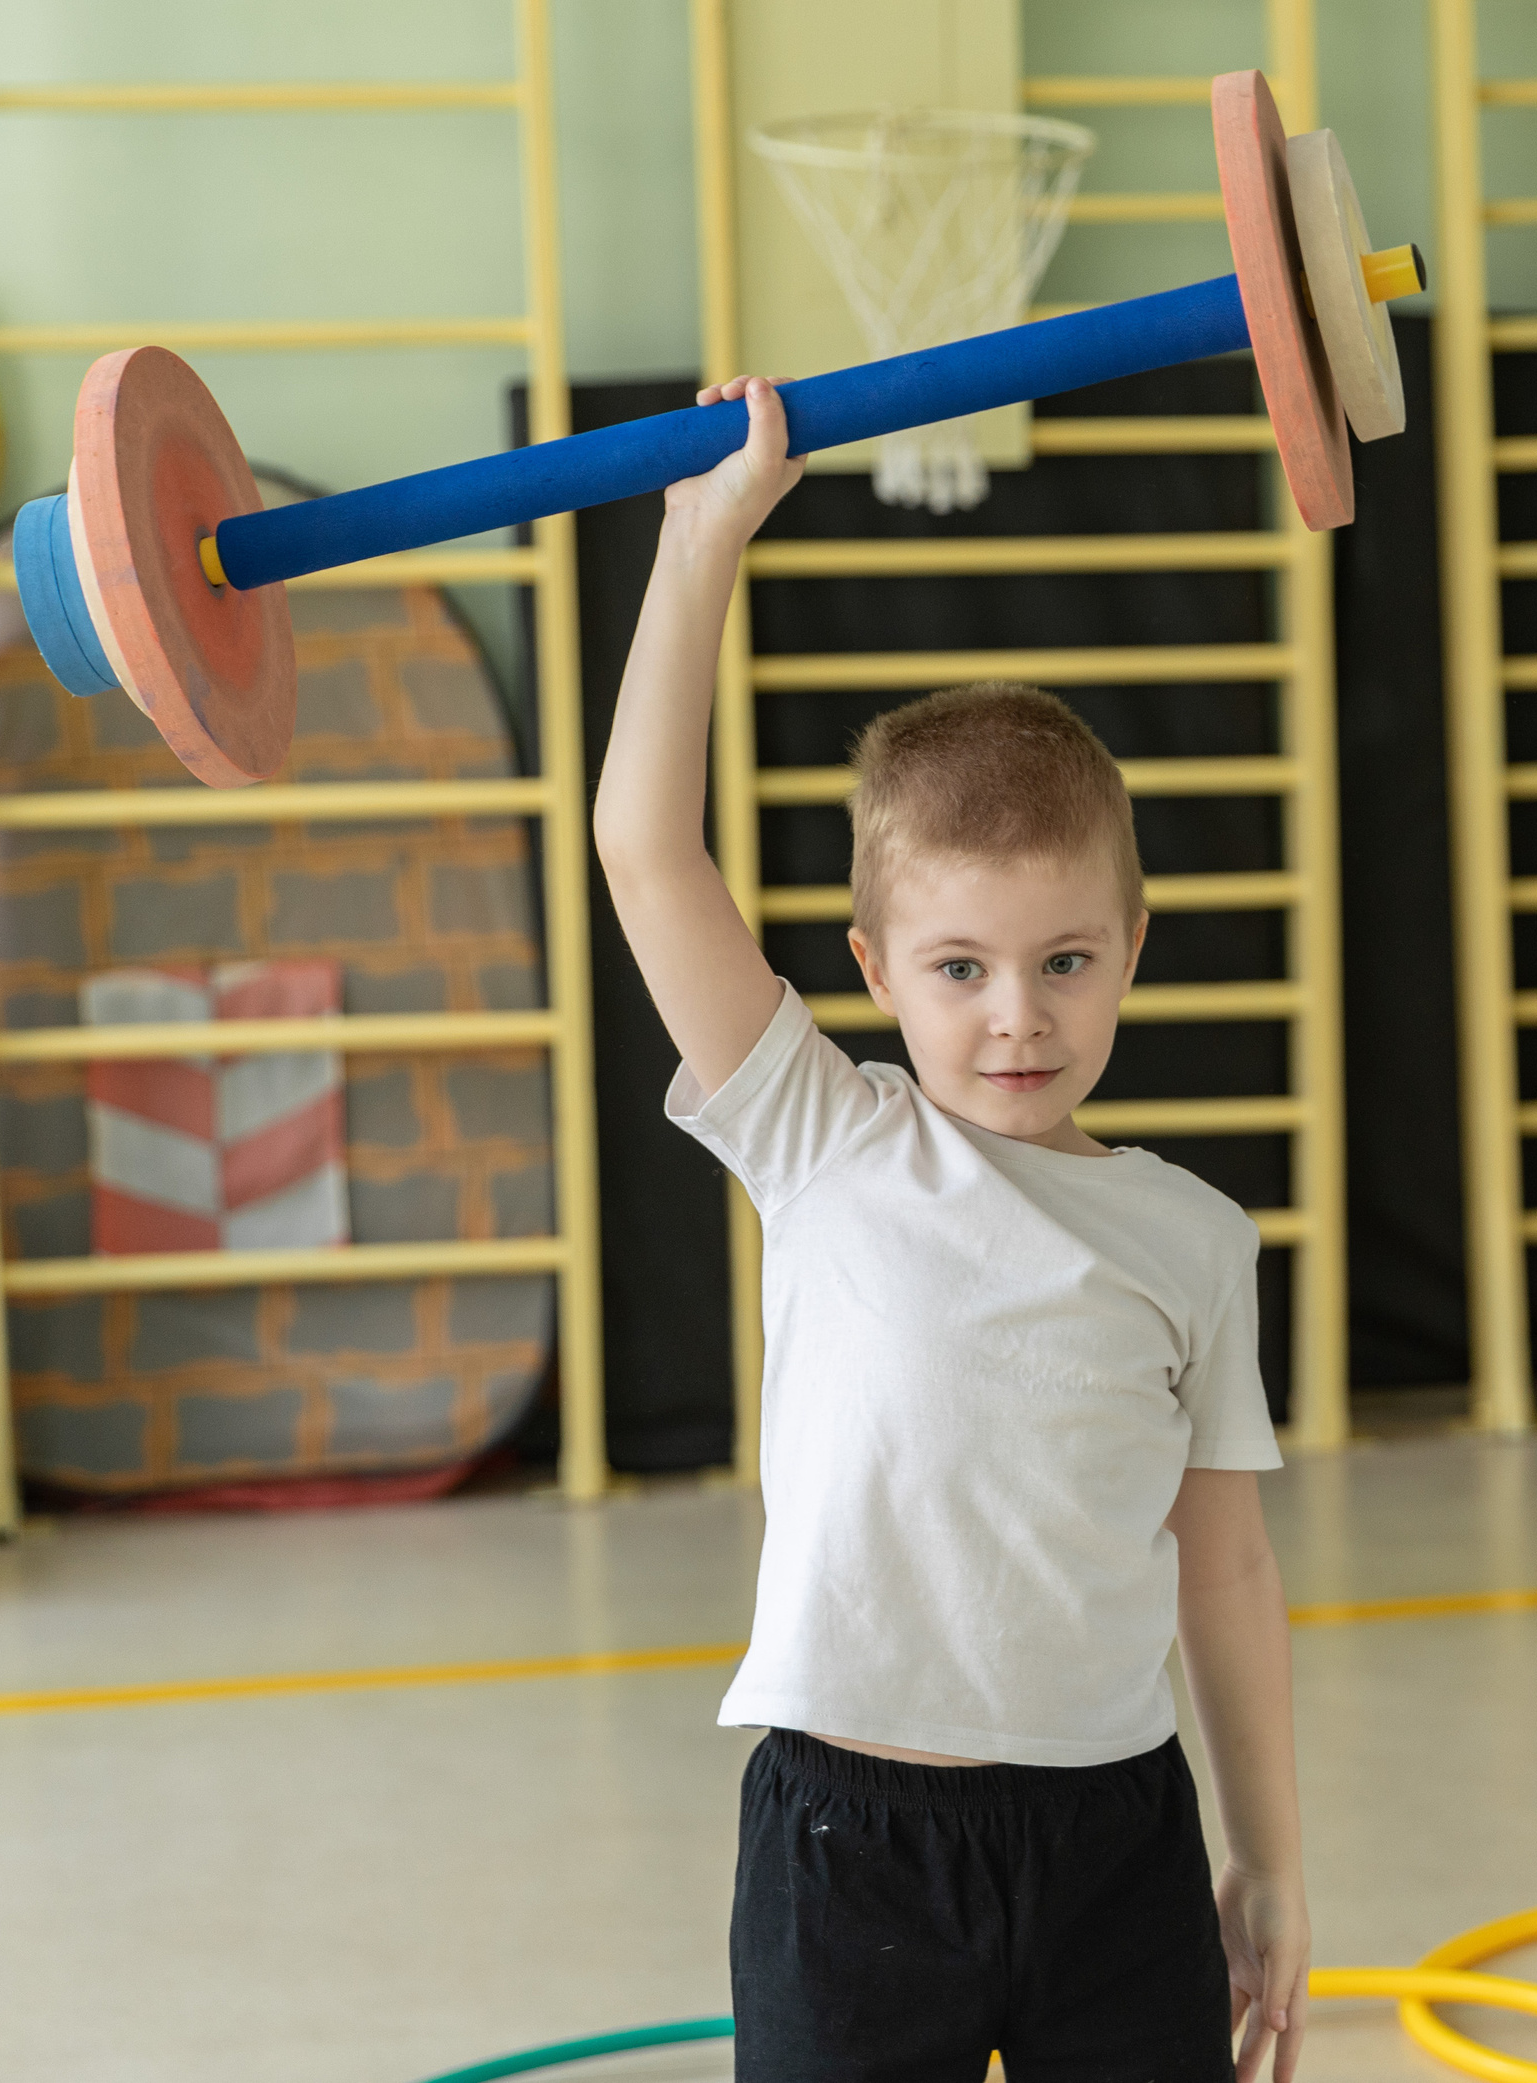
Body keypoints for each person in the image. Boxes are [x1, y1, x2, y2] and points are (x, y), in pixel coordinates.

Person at [593, 375, 1309, 2083]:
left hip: (1117, 1834)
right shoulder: (821, 1135)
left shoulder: (1192, 1239)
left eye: (1067, 961)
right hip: (851, 1847)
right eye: (962, 969)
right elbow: (641, 843)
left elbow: (1229, 1572)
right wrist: (702, 543)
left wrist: (1272, 1855)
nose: (1018, 1019)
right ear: (874, 974)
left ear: (1133, 947)